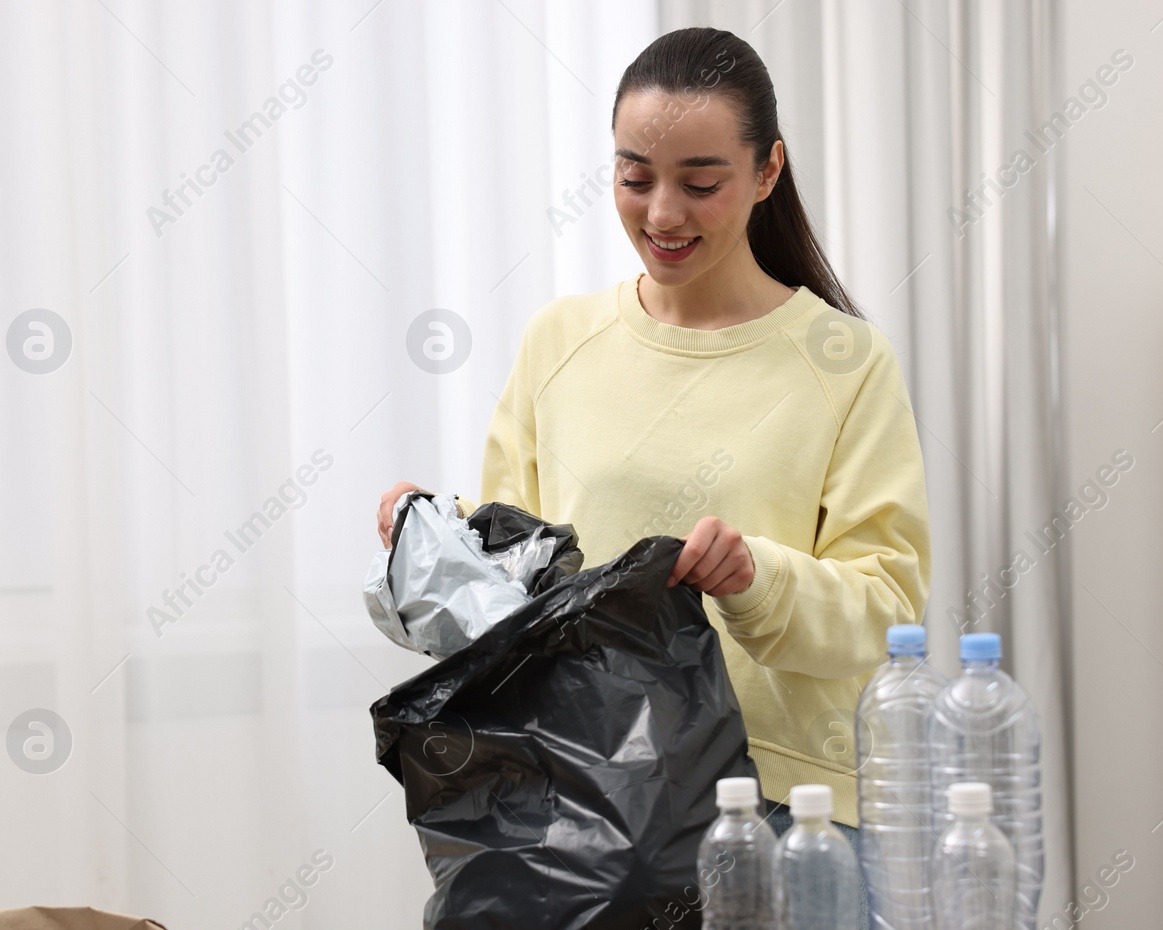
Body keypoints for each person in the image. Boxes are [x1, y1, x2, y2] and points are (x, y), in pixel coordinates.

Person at [378, 27, 929, 864]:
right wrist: (428, 542)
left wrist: (758, 579)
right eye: (635, 177)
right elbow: (513, 580)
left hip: (783, 816)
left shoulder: (845, 362)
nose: (662, 213)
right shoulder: (560, 340)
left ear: (767, 171)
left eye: (700, 182)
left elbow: (889, 608)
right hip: (581, 806)